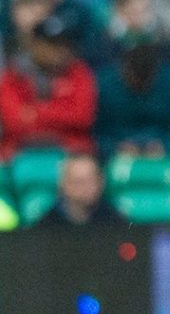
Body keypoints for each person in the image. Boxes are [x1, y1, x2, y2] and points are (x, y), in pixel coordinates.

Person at [0, 15, 98, 160]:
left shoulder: (79, 72)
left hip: (71, 151)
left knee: (83, 169)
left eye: (64, 44)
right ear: (34, 44)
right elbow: (13, 122)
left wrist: (36, 111)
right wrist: (61, 111)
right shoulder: (14, 75)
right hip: (20, 152)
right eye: (51, 44)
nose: (59, 51)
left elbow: (82, 117)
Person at [35, 154, 124, 228]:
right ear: (64, 185)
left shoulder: (115, 223)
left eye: (93, 180)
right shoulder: (45, 227)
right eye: (80, 182)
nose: (89, 187)